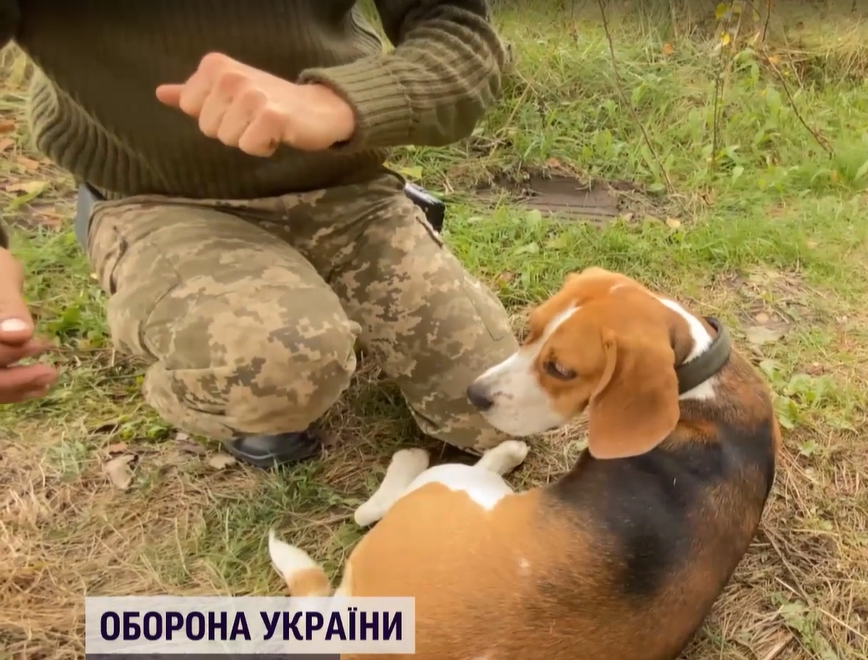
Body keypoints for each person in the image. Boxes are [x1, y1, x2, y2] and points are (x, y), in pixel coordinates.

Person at [0, 1, 519, 468]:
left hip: (346, 187)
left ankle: (308, 294)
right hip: (162, 200)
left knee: (502, 416)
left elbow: (460, 34)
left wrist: (339, 104)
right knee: (278, 367)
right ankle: (243, 378)